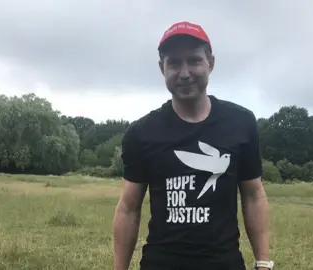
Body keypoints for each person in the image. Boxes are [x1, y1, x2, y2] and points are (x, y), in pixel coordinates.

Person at [113, 21, 274, 270]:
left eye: (194, 60)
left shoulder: (241, 123)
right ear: (161, 68)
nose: (185, 72)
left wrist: (263, 263)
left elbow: (253, 195)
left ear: (210, 62)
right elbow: (128, 208)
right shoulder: (142, 132)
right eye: (174, 63)